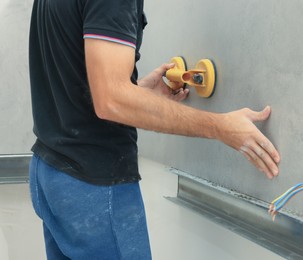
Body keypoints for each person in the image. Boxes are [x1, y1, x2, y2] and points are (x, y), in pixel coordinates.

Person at [28, 0, 281, 259]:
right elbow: (111, 100)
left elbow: (77, 77)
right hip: (92, 184)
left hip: (51, 172)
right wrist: (221, 127)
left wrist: (138, 95)